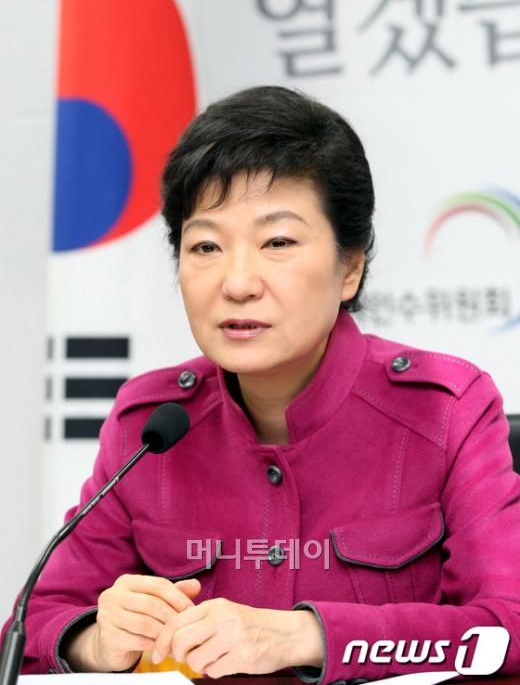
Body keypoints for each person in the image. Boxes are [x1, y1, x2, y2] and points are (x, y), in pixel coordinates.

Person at [3, 86, 520, 684]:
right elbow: (28, 629)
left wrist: (306, 636)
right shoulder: (150, 426)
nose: (238, 283)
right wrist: (97, 640)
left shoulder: (445, 411)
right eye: (206, 246)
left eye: (277, 242)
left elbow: (505, 628)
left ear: (349, 267)